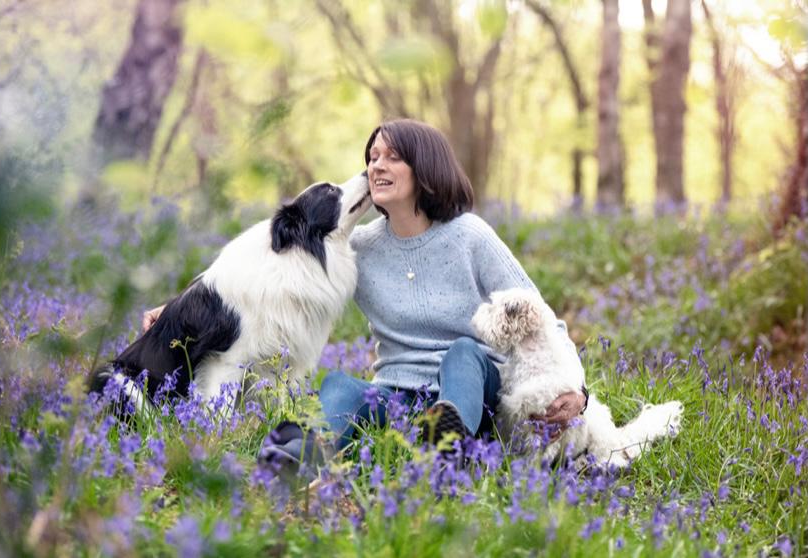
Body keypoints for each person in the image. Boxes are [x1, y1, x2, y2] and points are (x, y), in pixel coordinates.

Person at [141, 119, 587, 465]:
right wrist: (180, 309)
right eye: (372, 157)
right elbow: (263, 269)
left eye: (392, 157)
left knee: (464, 352)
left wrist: (578, 389)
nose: (376, 166)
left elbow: (544, 319)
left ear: (425, 168)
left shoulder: (470, 236)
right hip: (396, 395)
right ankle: (298, 455)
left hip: (473, 393)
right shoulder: (356, 249)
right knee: (339, 385)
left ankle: (450, 443)